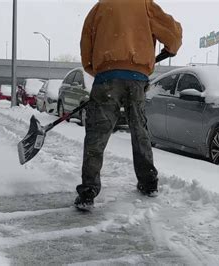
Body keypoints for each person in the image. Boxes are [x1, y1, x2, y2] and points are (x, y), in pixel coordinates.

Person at [75, 0, 182, 209]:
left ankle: (88, 190)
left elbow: (86, 48)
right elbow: (174, 37)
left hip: (106, 76)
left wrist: (100, 70)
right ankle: (148, 182)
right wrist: (168, 48)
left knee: (97, 134)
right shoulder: (144, 4)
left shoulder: (99, 8)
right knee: (139, 129)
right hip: (137, 77)